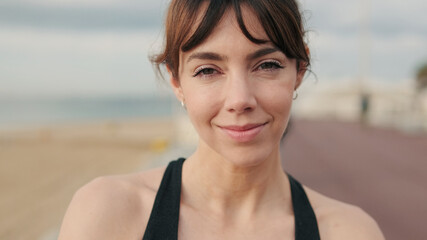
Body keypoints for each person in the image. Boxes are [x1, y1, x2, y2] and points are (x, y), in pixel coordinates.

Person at [58, 0, 384, 239]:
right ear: (177, 82)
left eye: (267, 65)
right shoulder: (107, 214)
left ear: (299, 70)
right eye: (208, 70)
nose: (240, 99)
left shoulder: (351, 232)